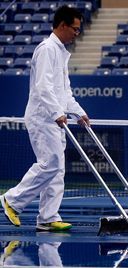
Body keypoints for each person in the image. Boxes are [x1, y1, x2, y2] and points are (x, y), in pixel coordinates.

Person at [0, 6, 89, 232]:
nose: (76, 34)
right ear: (62, 26)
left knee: (58, 170)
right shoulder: (47, 49)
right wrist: (56, 113)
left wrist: (78, 111)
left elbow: (64, 91)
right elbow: (43, 87)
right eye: (75, 30)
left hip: (55, 118)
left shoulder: (60, 53)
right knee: (51, 164)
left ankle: (48, 218)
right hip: (43, 117)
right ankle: (12, 199)